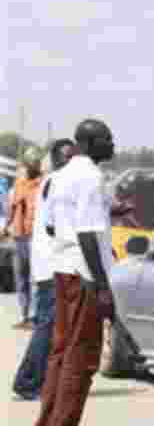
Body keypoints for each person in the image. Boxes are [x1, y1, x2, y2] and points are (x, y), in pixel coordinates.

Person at [33, 119, 118, 426]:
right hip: (83, 274)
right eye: (107, 139)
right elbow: (87, 234)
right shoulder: (92, 177)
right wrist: (101, 285)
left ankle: (46, 425)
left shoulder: (60, 176)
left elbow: (53, 226)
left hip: (62, 268)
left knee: (60, 350)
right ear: (91, 142)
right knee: (81, 353)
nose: (113, 144)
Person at [12, 139, 76, 400]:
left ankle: (37, 379)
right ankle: (28, 380)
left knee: (51, 325)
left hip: (50, 265)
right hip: (52, 267)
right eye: (66, 156)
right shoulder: (56, 182)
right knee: (47, 326)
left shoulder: (51, 183)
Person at [4, 149, 45, 329]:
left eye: (32, 164)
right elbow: (11, 208)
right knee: (21, 277)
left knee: (34, 279)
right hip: (19, 236)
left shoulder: (44, 184)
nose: (29, 167)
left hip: (35, 237)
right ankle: (25, 315)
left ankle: (35, 317)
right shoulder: (19, 183)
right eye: (27, 164)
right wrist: (6, 227)